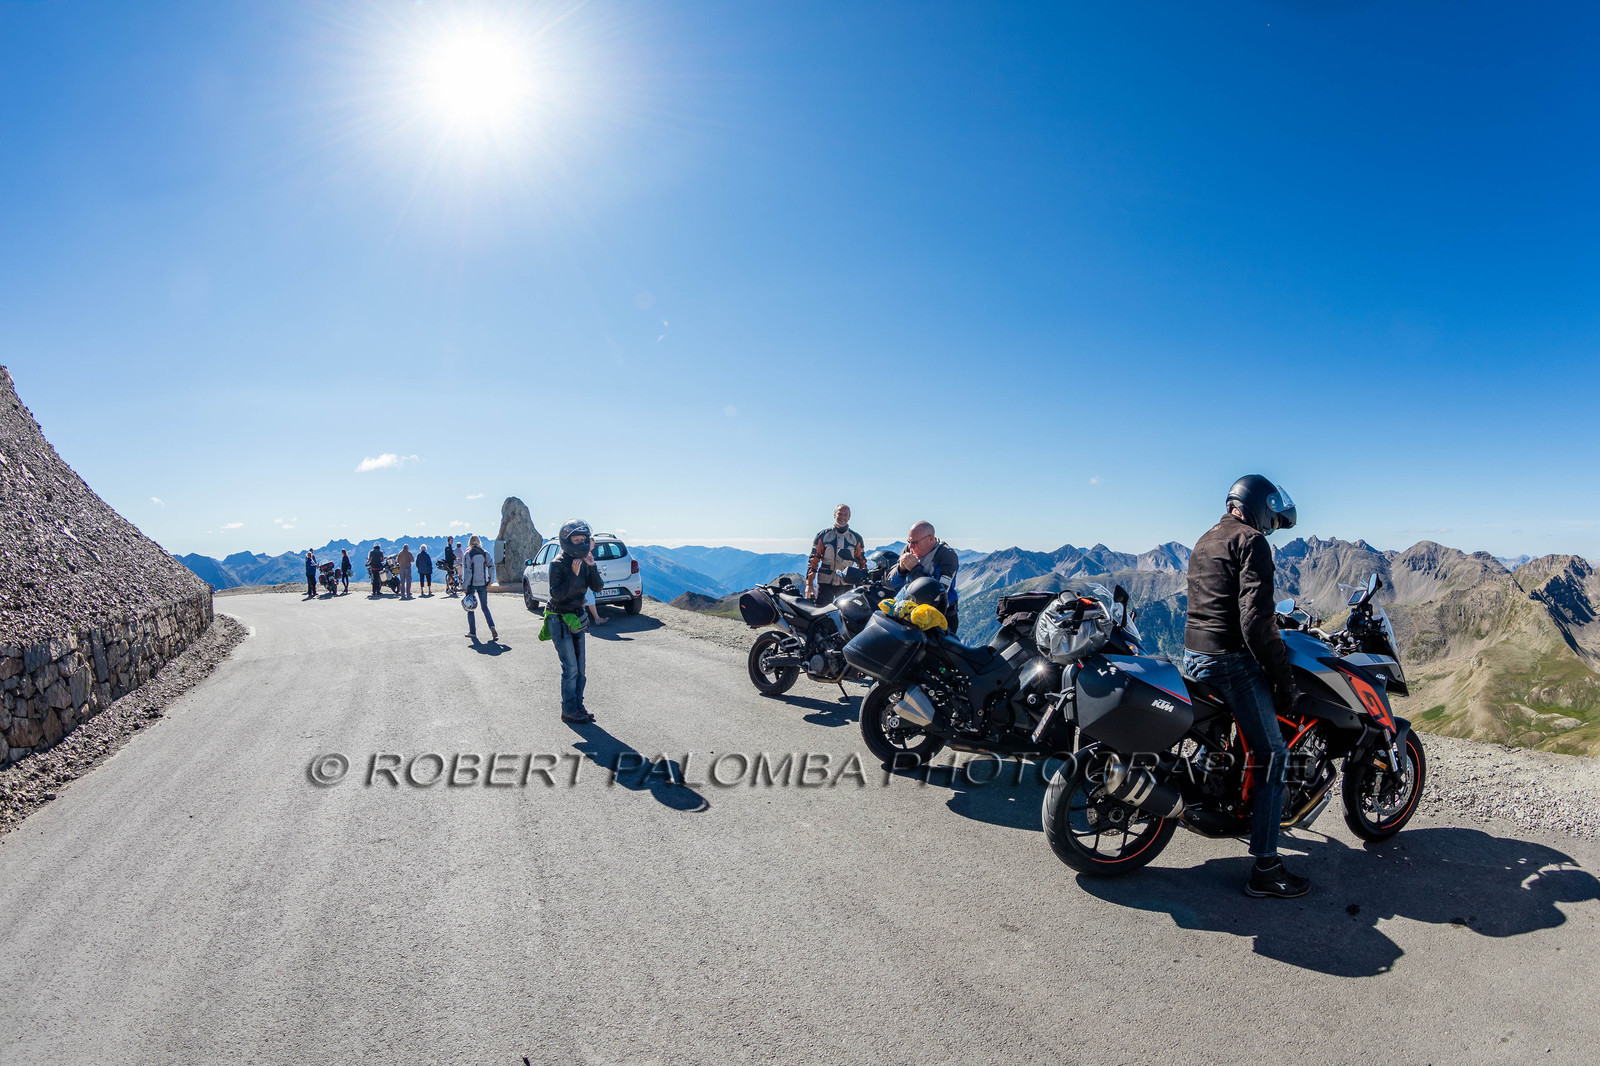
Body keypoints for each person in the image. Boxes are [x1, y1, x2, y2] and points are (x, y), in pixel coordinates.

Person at [1182, 473, 1305, 900]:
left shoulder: (1205, 539)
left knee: (1218, 736)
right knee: (1274, 753)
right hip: (1228, 661)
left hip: (1193, 656)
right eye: (1271, 517)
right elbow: (1254, 621)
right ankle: (1267, 870)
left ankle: (1216, 794)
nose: (1271, 525)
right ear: (1258, 506)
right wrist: (1282, 679)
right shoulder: (1251, 541)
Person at [547, 519, 603, 723]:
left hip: (578, 617)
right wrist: (574, 574)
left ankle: (579, 706)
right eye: (576, 539)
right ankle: (569, 710)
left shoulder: (584, 560)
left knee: (580, 668)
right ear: (567, 540)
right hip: (559, 618)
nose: (580, 542)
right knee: (570, 668)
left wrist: (592, 566)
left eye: (583, 539)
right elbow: (557, 595)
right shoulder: (558, 564)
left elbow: (597, 588)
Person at [889, 520, 961, 634]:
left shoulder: (947, 556)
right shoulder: (908, 549)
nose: (911, 546)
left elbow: (937, 594)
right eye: (909, 541)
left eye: (915, 542)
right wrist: (901, 569)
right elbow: (891, 583)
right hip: (910, 612)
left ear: (931, 539)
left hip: (941, 617)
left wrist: (914, 569)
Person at [806, 504, 868, 606]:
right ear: (834, 515)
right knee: (822, 614)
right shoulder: (823, 536)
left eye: (846, 514)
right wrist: (809, 585)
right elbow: (814, 560)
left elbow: (861, 562)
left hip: (846, 583)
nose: (842, 517)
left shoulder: (856, 538)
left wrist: (861, 585)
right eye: (840, 514)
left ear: (849, 517)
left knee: (847, 614)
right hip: (825, 583)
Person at [462, 534, 497, 641]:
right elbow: (491, 567)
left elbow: (467, 572)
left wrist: (464, 586)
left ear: (470, 543)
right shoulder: (485, 553)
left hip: (471, 585)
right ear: (479, 542)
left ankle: (472, 632)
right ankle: (492, 626)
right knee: (484, 607)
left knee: (470, 608)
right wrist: (490, 581)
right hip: (482, 583)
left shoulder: (468, 554)